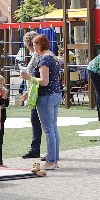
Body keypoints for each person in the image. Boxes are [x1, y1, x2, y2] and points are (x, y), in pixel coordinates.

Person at [27, 33, 63, 175]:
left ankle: (51, 161)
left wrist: (29, 77)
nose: (33, 47)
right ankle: (54, 159)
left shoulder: (44, 59)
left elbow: (44, 81)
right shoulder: (52, 57)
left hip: (46, 96)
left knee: (49, 130)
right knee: (53, 128)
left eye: (34, 45)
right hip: (55, 94)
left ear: (40, 45)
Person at [16, 31, 44, 158]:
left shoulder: (38, 56)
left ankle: (37, 149)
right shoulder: (39, 55)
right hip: (34, 90)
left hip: (38, 91)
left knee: (41, 122)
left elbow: (37, 75)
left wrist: (28, 77)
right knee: (38, 121)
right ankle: (36, 148)